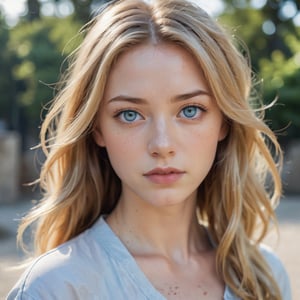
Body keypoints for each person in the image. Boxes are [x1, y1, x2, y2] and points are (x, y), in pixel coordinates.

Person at [7, 0, 291, 299]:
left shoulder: (264, 276)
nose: (162, 145)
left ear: (225, 122)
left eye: (191, 110)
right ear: (97, 129)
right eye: (130, 114)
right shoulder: (55, 288)